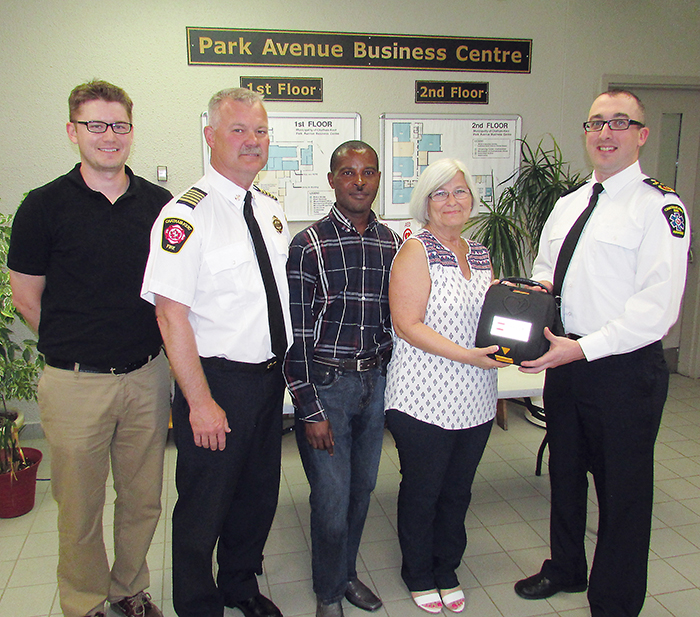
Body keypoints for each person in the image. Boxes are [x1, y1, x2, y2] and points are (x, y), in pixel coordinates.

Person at [514, 90, 690, 617]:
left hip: (621, 370)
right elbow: (548, 270)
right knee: (565, 475)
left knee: (623, 493)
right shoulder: (569, 204)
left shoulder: (661, 207)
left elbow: (656, 309)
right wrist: (524, 299)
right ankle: (566, 568)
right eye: (596, 123)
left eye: (620, 122)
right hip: (564, 362)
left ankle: (614, 600)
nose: (605, 132)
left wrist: (584, 349)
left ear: (641, 134)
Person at [7, 80, 172, 617]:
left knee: (142, 501)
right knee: (78, 509)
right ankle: (84, 602)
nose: (109, 136)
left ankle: (129, 590)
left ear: (131, 131)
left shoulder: (159, 205)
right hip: (75, 383)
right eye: (96, 125)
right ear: (73, 131)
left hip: (147, 377)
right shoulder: (43, 205)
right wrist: (79, 341)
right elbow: (27, 297)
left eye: (119, 125)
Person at [141, 87, 291, 617]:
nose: (253, 142)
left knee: (257, 497)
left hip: (269, 383)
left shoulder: (272, 212)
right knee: (204, 506)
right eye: (239, 130)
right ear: (210, 137)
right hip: (216, 383)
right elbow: (170, 314)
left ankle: (240, 586)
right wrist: (199, 403)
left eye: (261, 131)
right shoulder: (185, 217)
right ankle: (199, 604)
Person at [383, 158, 505, 614]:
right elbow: (407, 324)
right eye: (440, 193)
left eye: (459, 192)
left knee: (459, 489)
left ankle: (447, 565)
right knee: (424, 488)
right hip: (423, 397)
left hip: (476, 397)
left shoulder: (480, 252)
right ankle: (417, 571)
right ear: (426, 202)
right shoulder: (415, 250)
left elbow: (490, 319)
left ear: (472, 199)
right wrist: (467, 356)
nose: (451, 201)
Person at [284, 140, 401, 617]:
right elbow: (295, 337)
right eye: (348, 172)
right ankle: (328, 594)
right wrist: (308, 408)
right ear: (331, 180)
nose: (359, 181)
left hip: (373, 386)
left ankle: (346, 574)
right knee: (331, 500)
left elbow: (399, 320)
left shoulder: (391, 243)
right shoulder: (307, 245)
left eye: (368, 172)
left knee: (362, 489)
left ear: (377, 179)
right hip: (327, 389)